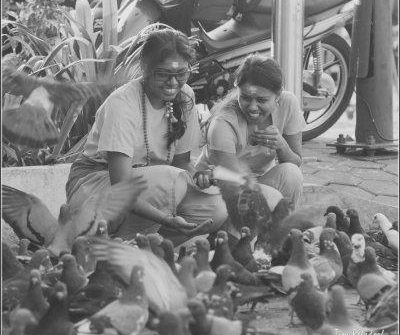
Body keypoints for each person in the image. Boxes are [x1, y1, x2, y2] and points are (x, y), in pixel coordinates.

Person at [65, 28, 228, 246]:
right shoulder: (122, 103)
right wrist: (167, 219)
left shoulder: (185, 95)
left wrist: (200, 178)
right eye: (163, 74)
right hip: (94, 190)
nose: (173, 83)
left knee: (216, 208)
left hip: (153, 185)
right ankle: (116, 246)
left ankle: (149, 247)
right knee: (173, 181)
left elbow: (182, 163)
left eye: (181, 73)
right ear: (144, 68)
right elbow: (120, 185)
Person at [195, 54, 305, 216]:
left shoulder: (288, 104)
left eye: (261, 100)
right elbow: (232, 184)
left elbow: (296, 162)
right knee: (264, 204)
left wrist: (281, 145)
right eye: (245, 97)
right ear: (236, 89)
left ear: (278, 95)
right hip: (220, 188)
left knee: (291, 173)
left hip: (258, 182)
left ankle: (275, 233)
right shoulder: (223, 122)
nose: (252, 108)